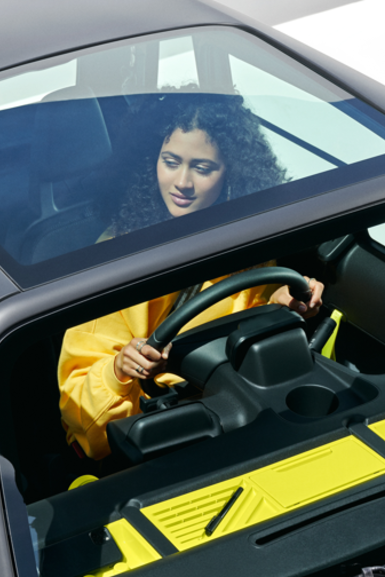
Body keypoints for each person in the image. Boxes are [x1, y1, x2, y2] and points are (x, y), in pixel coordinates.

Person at [58, 92, 324, 460]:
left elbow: (249, 321)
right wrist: (119, 370)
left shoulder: (249, 240)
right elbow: (78, 406)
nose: (181, 182)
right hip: (156, 437)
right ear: (150, 161)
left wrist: (283, 307)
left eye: (201, 168)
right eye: (170, 162)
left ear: (231, 171)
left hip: (238, 417)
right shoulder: (113, 258)